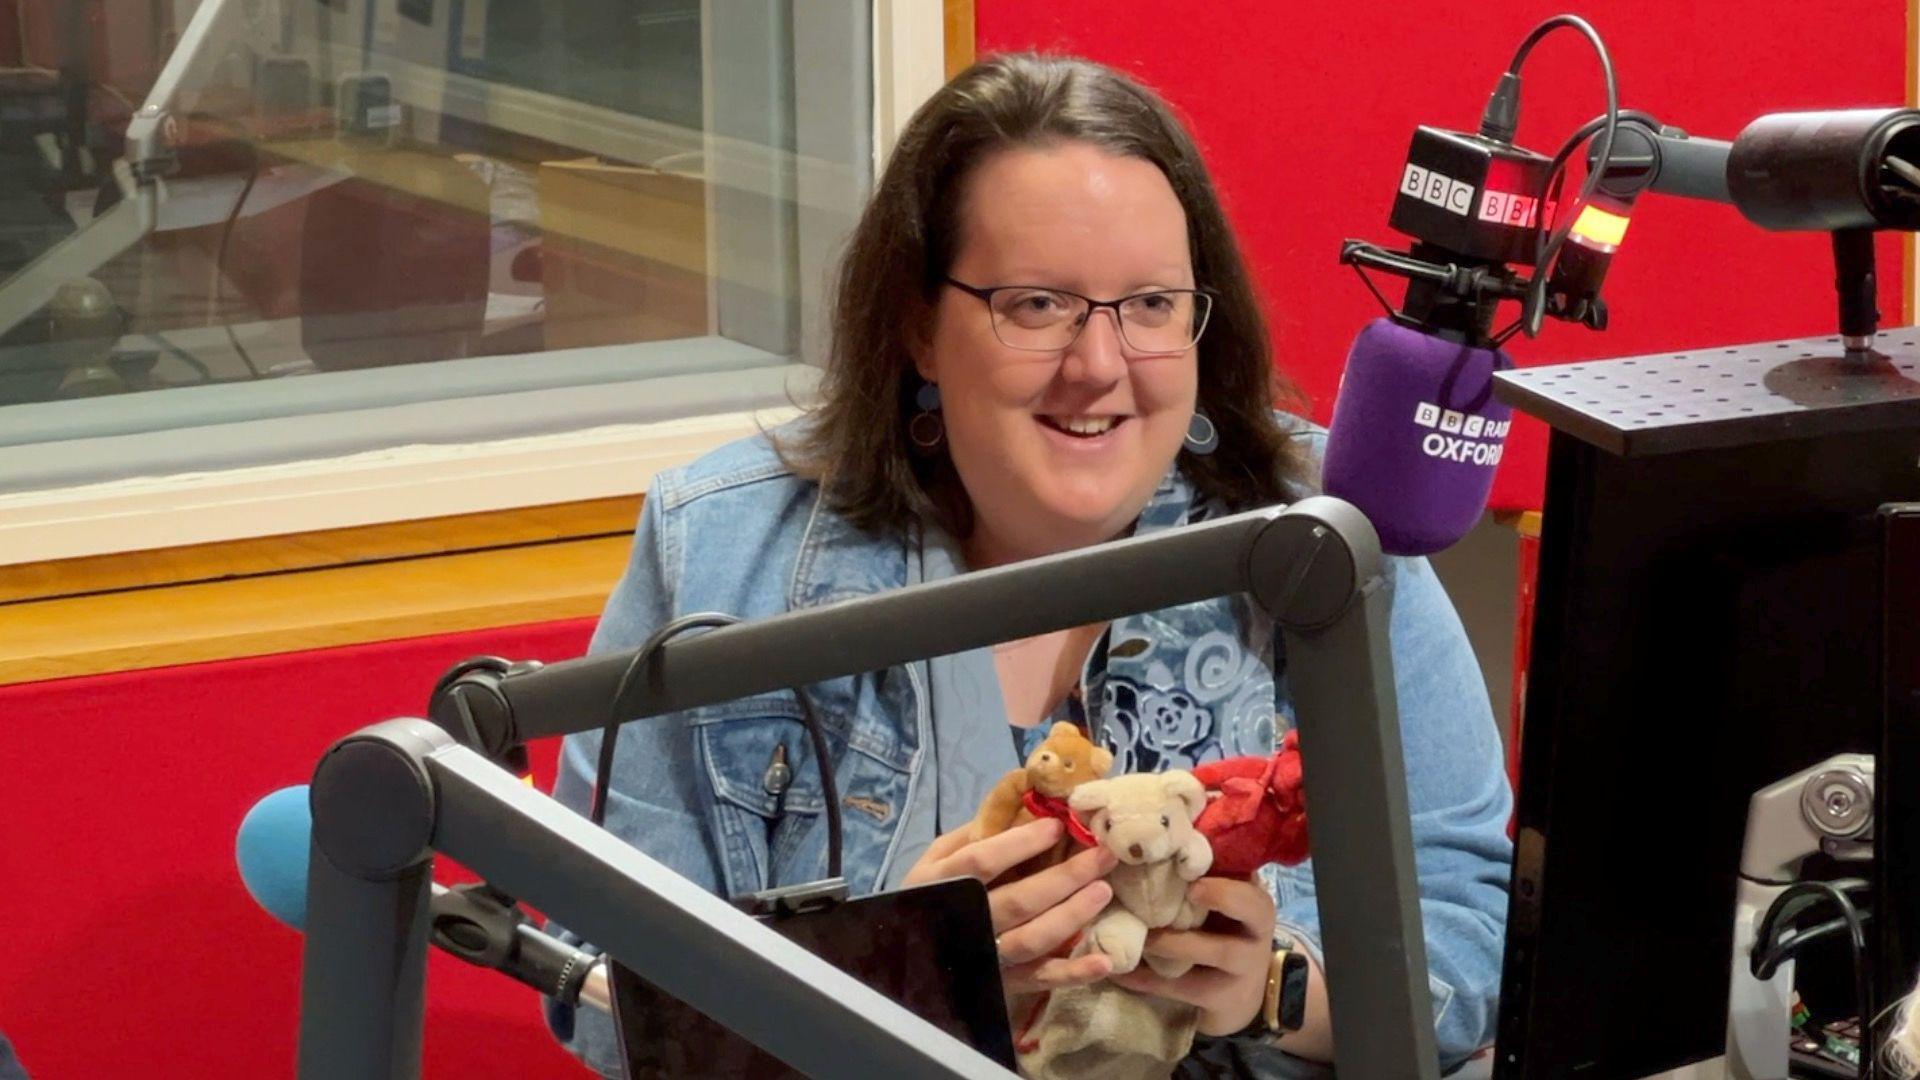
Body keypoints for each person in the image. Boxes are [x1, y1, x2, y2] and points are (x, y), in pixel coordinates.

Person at [544, 52, 1512, 1078]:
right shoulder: (723, 553)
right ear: (920, 324)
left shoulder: (1323, 537)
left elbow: (1470, 923)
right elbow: (599, 991)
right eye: (1037, 305)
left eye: (1150, 305)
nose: (1099, 365)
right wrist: (905, 975)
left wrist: (1273, 985)